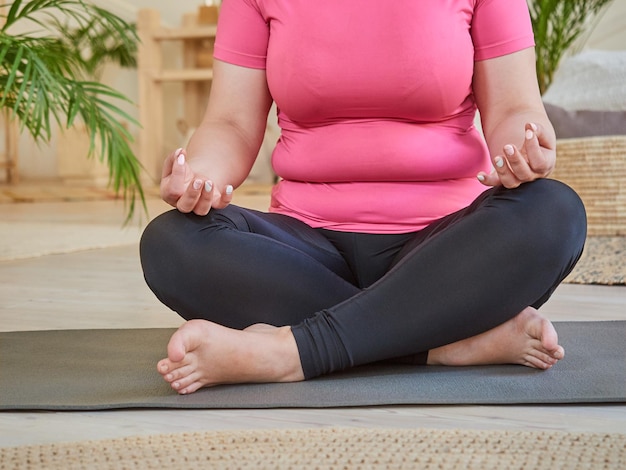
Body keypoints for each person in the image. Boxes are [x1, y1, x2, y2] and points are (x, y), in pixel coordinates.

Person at [140, 0, 587, 395]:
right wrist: (199, 174)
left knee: (554, 213)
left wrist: (524, 149)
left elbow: (514, 109)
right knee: (171, 241)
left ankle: (287, 353)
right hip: (305, 248)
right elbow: (230, 124)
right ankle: (444, 340)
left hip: (447, 251)